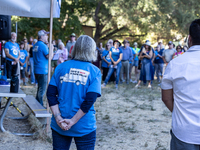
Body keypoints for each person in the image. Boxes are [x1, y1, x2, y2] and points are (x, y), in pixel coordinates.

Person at [46, 35, 101, 150]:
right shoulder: (94, 71)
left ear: (75, 48)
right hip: (84, 125)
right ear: (91, 50)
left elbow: (51, 94)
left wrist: (58, 118)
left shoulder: (61, 67)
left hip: (60, 124)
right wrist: (72, 121)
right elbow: (90, 99)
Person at [161, 19, 200, 150]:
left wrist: (180, 113)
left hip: (184, 132)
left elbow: (166, 98)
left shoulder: (175, 64)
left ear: (189, 39)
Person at [33, 30, 50, 106]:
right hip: (42, 70)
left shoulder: (35, 44)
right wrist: (51, 49)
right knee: (42, 90)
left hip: (37, 69)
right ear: (42, 36)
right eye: (46, 35)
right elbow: (49, 56)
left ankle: (37, 104)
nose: (47, 37)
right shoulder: (43, 45)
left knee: (40, 89)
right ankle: (39, 106)